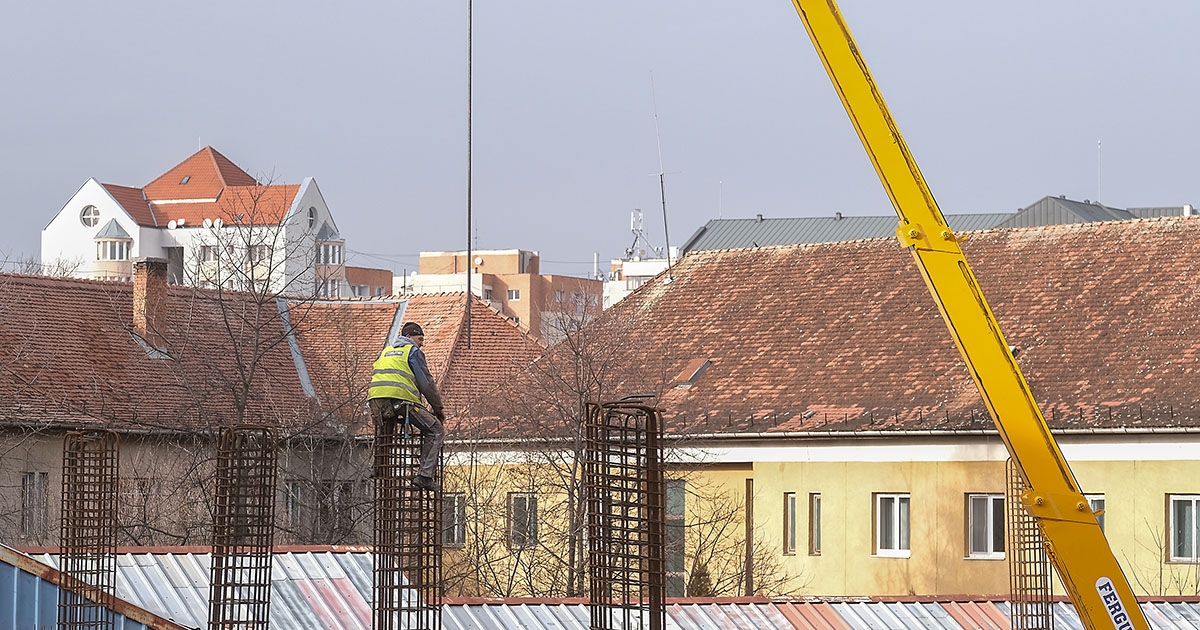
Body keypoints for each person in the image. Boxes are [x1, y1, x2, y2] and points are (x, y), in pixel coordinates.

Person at [368, 321, 446, 492]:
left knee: (385, 429)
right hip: (400, 399)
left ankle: (377, 467)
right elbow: (426, 383)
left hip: (376, 400)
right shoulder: (412, 351)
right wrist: (437, 408)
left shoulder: (385, 352)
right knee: (435, 430)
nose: (422, 343)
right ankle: (425, 476)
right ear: (409, 337)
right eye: (420, 338)